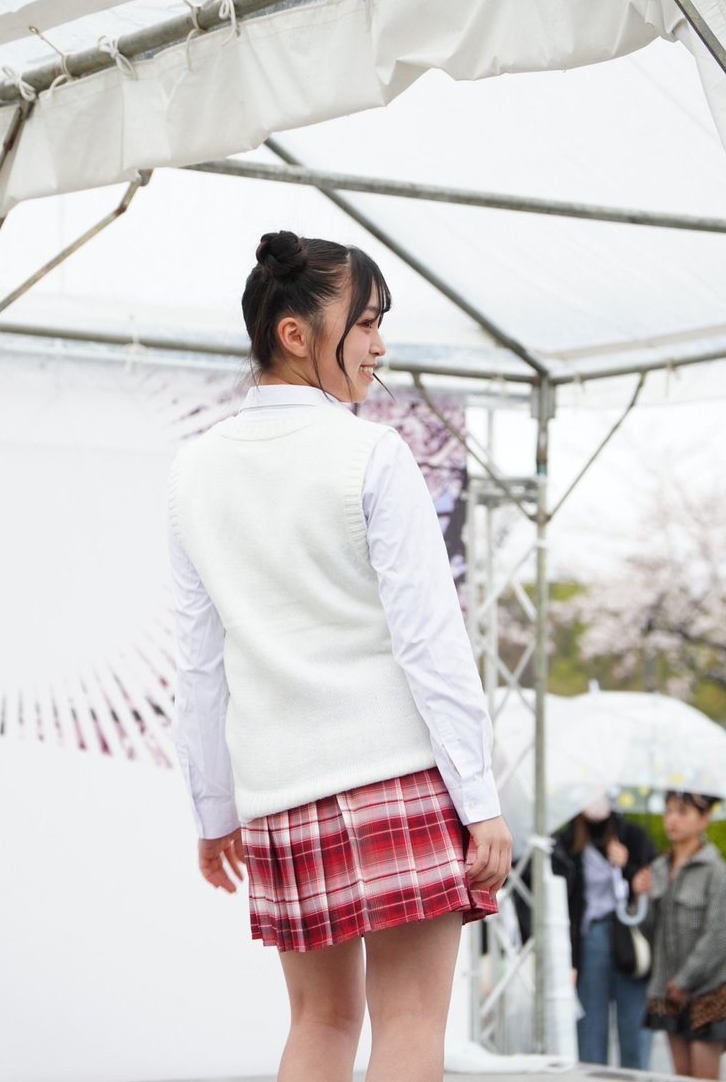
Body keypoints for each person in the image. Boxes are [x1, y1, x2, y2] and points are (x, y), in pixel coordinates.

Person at [168, 230, 512, 1082]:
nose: (380, 345)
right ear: (294, 333)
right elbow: (430, 641)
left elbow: (200, 665)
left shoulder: (194, 471)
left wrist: (214, 811)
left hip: (282, 794)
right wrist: (479, 797)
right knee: (410, 1022)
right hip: (396, 773)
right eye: (365, 323)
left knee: (319, 1025)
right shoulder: (371, 454)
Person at [552, 796, 657, 1069]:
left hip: (629, 939)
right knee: (590, 1032)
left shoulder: (632, 835)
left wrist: (629, 868)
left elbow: (652, 885)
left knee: (635, 1030)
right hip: (589, 940)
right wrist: (569, 960)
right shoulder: (565, 843)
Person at [633, 791, 726, 1080]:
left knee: (704, 1075)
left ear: (704, 819)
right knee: (681, 1076)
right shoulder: (659, 867)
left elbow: (719, 935)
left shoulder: (715, 871)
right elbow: (649, 930)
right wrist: (642, 897)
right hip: (668, 988)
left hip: (709, 990)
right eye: (669, 811)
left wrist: (685, 980)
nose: (672, 819)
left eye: (682, 812)